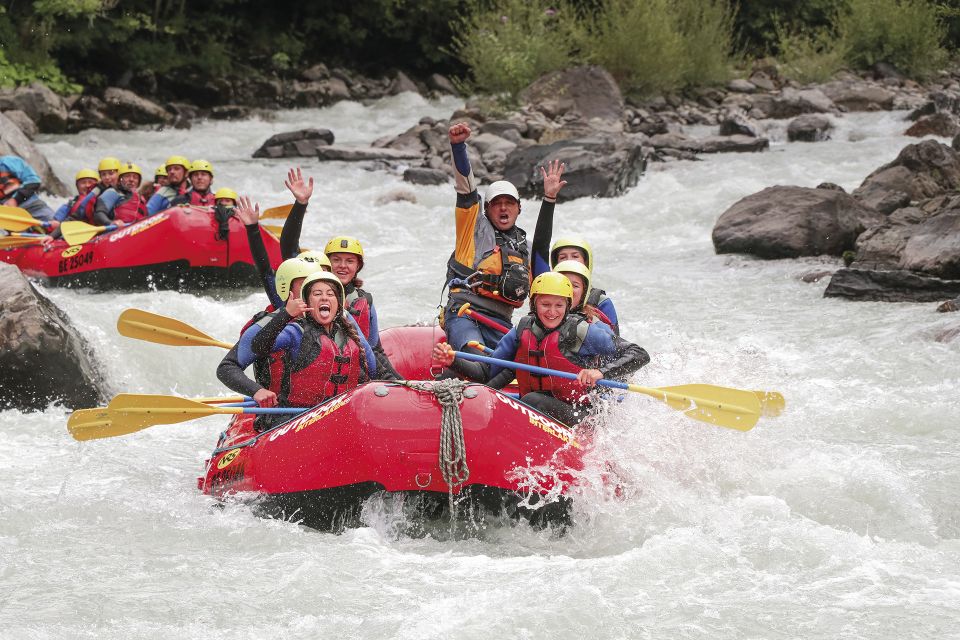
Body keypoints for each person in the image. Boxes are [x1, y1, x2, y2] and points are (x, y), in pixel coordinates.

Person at [433, 272, 648, 425]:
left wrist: (600, 372)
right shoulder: (521, 329)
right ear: (534, 304)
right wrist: (452, 360)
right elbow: (487, 372)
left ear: (567, 305)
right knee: (458, 382)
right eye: (545, 304)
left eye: (559, 305)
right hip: (533, 410)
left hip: (579, 414)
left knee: (531, 400)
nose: (552, 312)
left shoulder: (582, 331)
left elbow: (639, 354)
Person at [440, 122, 567, 354]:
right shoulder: (474, 230)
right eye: (497, 204)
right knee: (476, 357)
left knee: (513, 365)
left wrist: (549, 199)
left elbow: (544, 265)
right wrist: (458, 147)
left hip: (501, 324)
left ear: (519, 208)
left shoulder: (526, 249)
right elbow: (466, 190)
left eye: (509, 203)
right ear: (486, 209)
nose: (503, 209)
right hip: (464, 314)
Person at [217, 271, 378, 429]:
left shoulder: (350, 336)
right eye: (317, 293)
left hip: (338, 418)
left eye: (330, 294)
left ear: (338, 303)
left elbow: (376, 371)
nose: (324, 297)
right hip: (294, 419)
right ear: (306, 302)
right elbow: (258, 347)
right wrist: (286, 314)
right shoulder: (295, 332)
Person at [324, 235, 401, 380]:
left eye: (350, 261)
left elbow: (375, 349)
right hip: (327, 373)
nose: (343, 265)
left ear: (358, 266)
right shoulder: (313, 296)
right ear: (326, 264)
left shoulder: (365, 300)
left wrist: (399, 381)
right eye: (336, 260)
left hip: (358, 374)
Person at [544, 236, 620, 335]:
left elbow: (616, 343)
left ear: (586, 262)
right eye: (563, 257)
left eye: (575, 256)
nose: (569, 261)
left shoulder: (602, 302)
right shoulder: (545, 296)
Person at [553, 259, 617, 331]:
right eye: (563, 284)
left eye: (575, 286)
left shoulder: (595, 326)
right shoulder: (542, 316)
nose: (569, 289)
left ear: (584, 292)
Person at [91, 162, 148, 226]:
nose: (131, 180)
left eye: (135, 177)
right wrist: (110, 223)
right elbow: (99, 214)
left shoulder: (142, 198)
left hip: (138, 231)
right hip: (116, 232)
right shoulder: (113, 192)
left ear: (138, 182)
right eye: (127, 176)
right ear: (120, 180)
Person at [0, 154, 55, 221]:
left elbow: (33, 181)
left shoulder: (9, 162)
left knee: (55, 224)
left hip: (31, 205)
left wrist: (15, 200)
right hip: (5, 214)